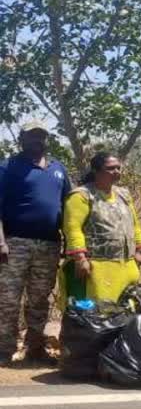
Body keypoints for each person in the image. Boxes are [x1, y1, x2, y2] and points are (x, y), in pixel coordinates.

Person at [0, 121, 71, 366]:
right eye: (31, 136)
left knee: (40, 300)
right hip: (15, 243)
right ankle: (4, 349)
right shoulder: (8, 167)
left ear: (47, 140)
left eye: (41, 136)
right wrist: (1, 243)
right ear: (21, 138)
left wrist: (70, 245)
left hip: (49, 245)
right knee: (8, 299)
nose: (36, 141)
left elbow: (68, 211)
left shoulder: (58, 169)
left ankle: (36, 348)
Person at [62, 152, 141, 303]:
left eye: (118, 168)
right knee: (94, 314)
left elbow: (135, 225)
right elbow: (73, 229)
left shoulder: (124, 195)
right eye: (110, 168)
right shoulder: (81, 196)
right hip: (95, 267)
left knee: (125, 312)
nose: (116, 172)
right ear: (96, 171)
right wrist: (80, 259)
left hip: (125, 265)